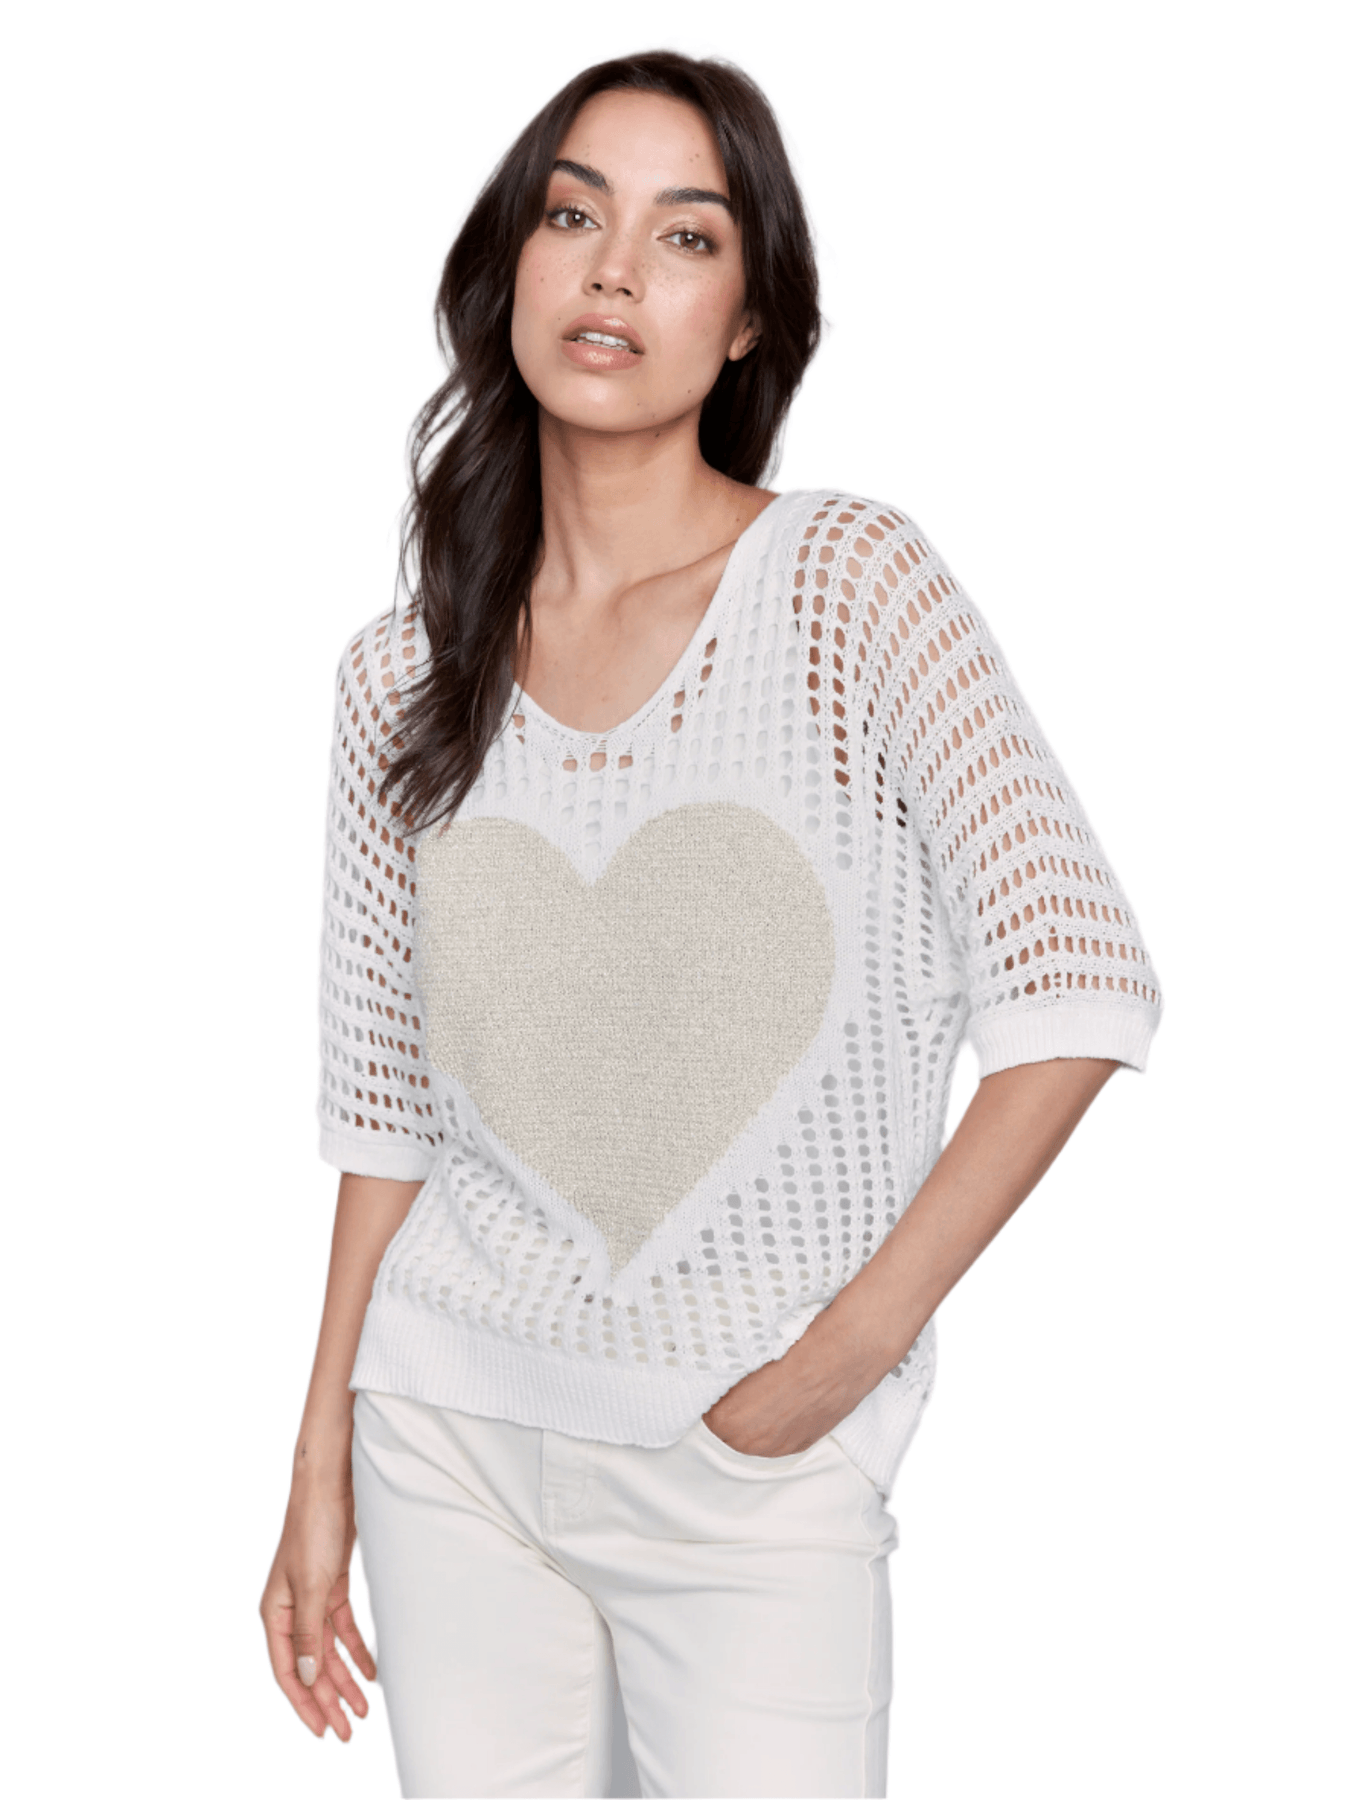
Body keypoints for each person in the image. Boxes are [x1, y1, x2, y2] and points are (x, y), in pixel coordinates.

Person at [259, 49, 1163, 1800]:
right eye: (571, 216)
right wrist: (318, 1463)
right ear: (507, 266)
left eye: (685, 237)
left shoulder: (846, 587)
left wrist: (841, 1361)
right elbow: (386, 1117)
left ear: (747, 321)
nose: (612, 271)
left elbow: (1079, 987)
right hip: (446, 1438)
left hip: (750, 1468)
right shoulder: (400, 676)